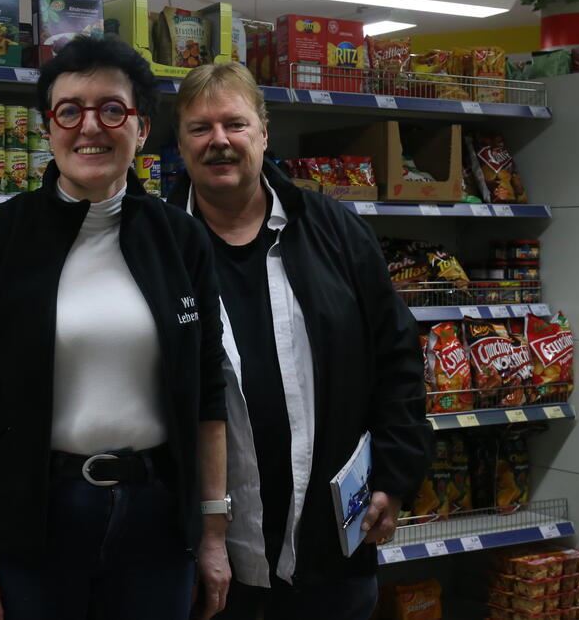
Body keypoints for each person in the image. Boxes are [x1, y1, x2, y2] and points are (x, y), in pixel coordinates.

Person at [0, 36, 231, 620]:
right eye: (69, 110)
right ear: (49, 128)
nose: (89, 126)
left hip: (157, 520)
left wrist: (213, 533)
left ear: (141, 129)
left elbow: (207, 394)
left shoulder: (181, 240)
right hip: (36, 518)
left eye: (112, 109)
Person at [169, 62, 432, 619]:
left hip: (332, 549)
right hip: (206, 560)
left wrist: (396, 473)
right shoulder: (157, 245)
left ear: (264, 133)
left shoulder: (333, 229)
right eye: (200, 127)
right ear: (180, 141)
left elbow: (398, 355)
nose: (219, 140)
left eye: (235, 124)